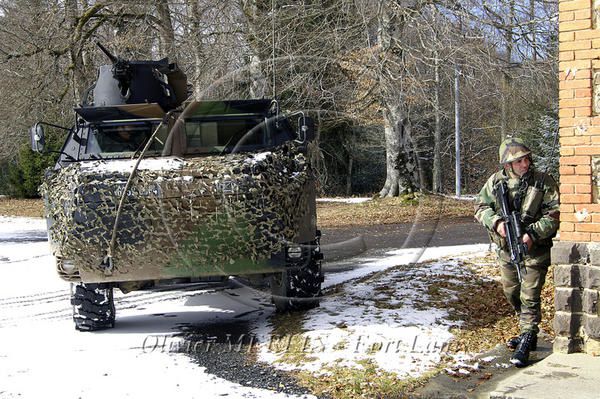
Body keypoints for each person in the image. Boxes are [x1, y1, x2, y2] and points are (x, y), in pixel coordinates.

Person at [475, 137, 559, 367]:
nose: (525, 164)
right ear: (507, 165)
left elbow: (555, 214)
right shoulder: (495, 182)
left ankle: (528, 336)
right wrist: (496, 223)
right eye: (519, 161)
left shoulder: (543, 181)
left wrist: (532, 234)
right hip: (506, 248)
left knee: (529, 294)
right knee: (511, 291)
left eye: (526, 159)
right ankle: (526, 331)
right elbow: (479, 207)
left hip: (536, 250)